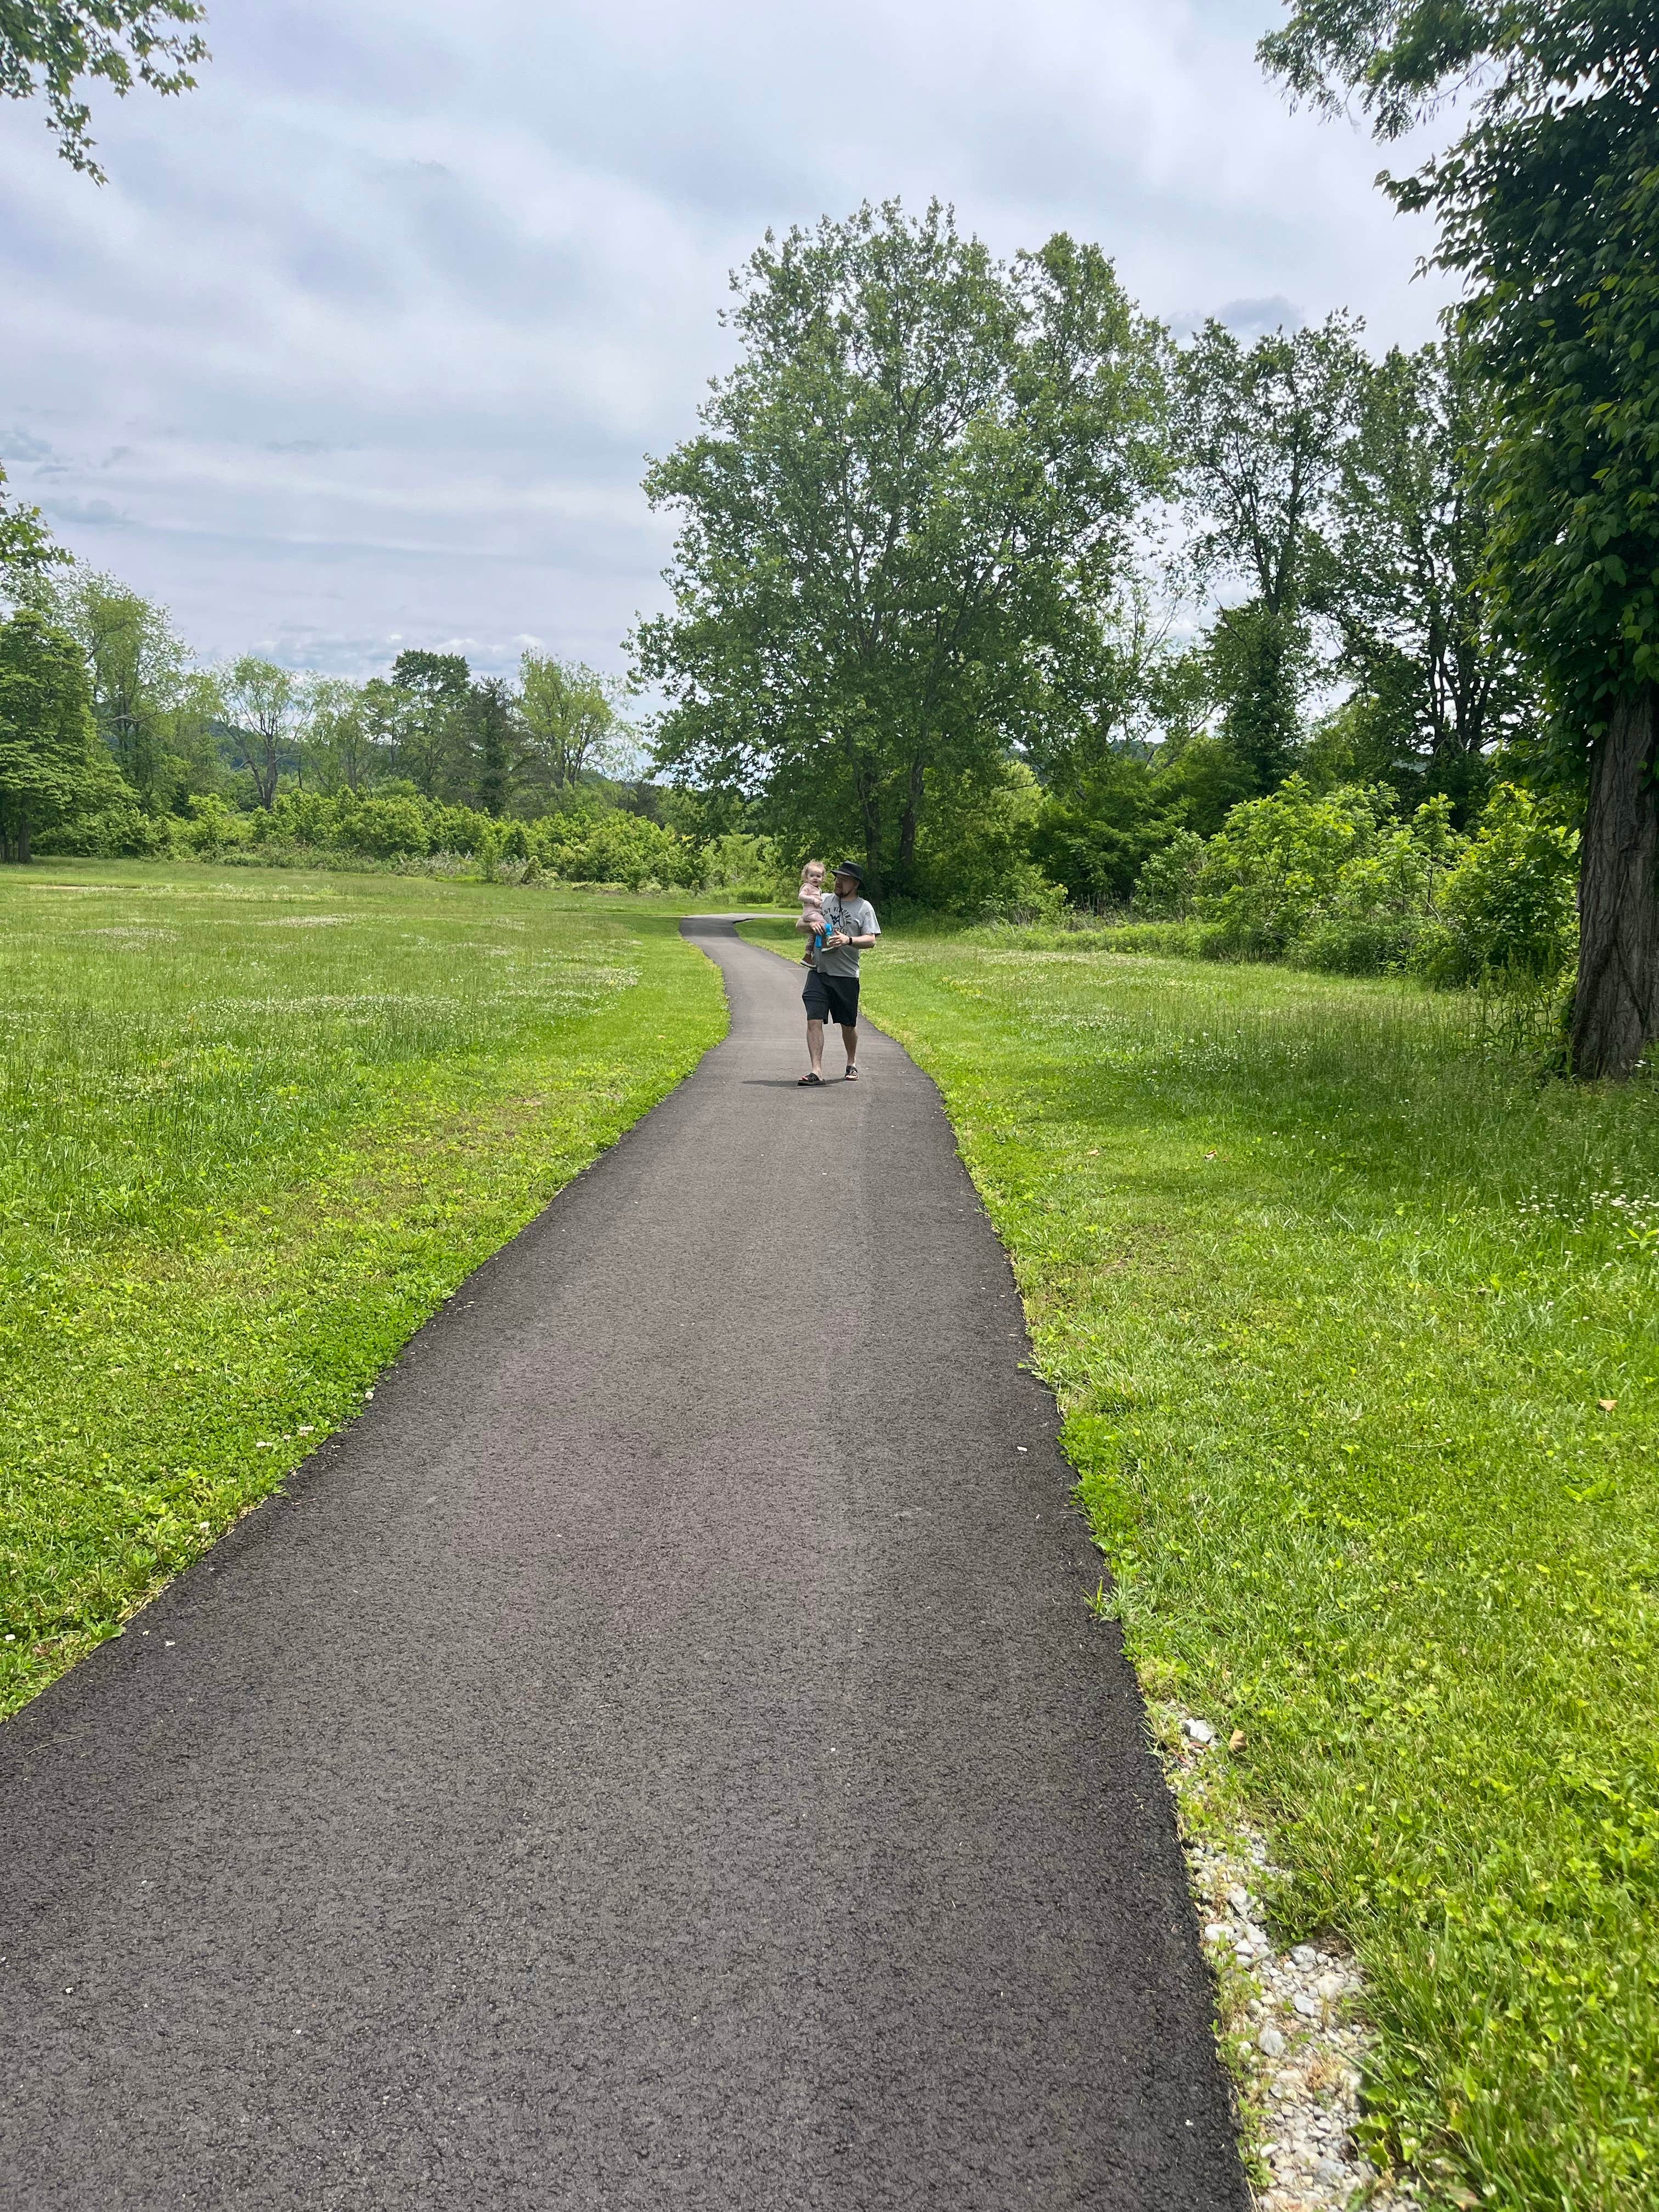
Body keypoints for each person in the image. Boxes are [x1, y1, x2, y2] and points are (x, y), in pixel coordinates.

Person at [799, 861, 879, 1085]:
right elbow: (799, 925)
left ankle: (851, 1062)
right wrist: (811, 926)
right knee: (814, 1019)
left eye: (844, 880)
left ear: (855, 884)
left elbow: (871, 940)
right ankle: (816, 1071)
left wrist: (848, 940)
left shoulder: (864, 908)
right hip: (819, 971)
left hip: (846, 975)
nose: (838, 883)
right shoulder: (823, 900)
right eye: (837, 878)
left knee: (848, 1024)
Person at [795, 859, 830, 952]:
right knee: (825, 925)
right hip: (810, 913)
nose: (815, 878)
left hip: (815, 913)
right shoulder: (807, 886)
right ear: (806, 877)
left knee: (817, 930)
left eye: (818, 876)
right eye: (812, 876)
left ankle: (814, 946)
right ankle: (828, 943)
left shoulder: (819, 890)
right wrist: (814, 900)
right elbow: (801, 896)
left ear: (822, 878)